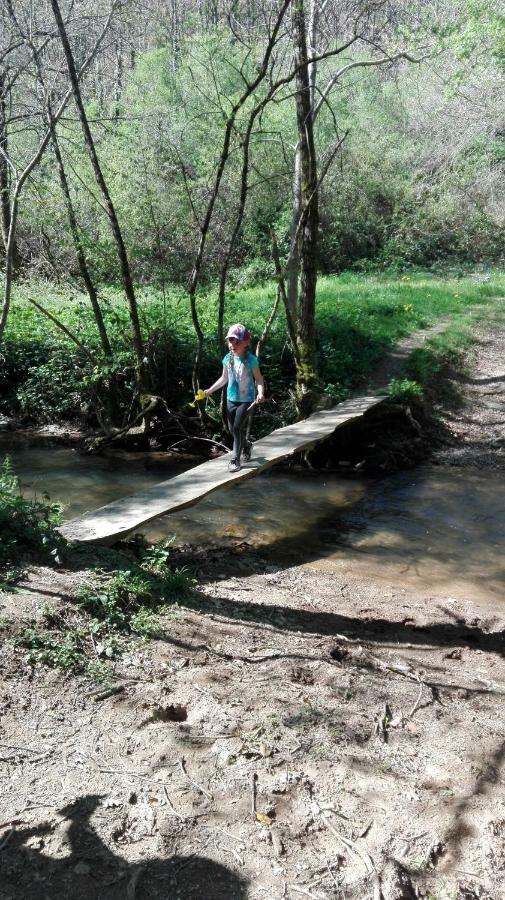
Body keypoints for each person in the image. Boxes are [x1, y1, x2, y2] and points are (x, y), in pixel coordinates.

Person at [204, 323, 265, 472]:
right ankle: (247, 445)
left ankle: (235, 459)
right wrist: (210, 390)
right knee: (232, 429)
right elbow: (224, 378)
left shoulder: (251, 360)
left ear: (246, 343)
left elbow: (259, 379)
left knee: (237, 427)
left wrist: (261, 393)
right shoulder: (227, 359)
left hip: (247, 399)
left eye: (237, 341)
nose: (233, 344)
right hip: (231, 399)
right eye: (231, 340)